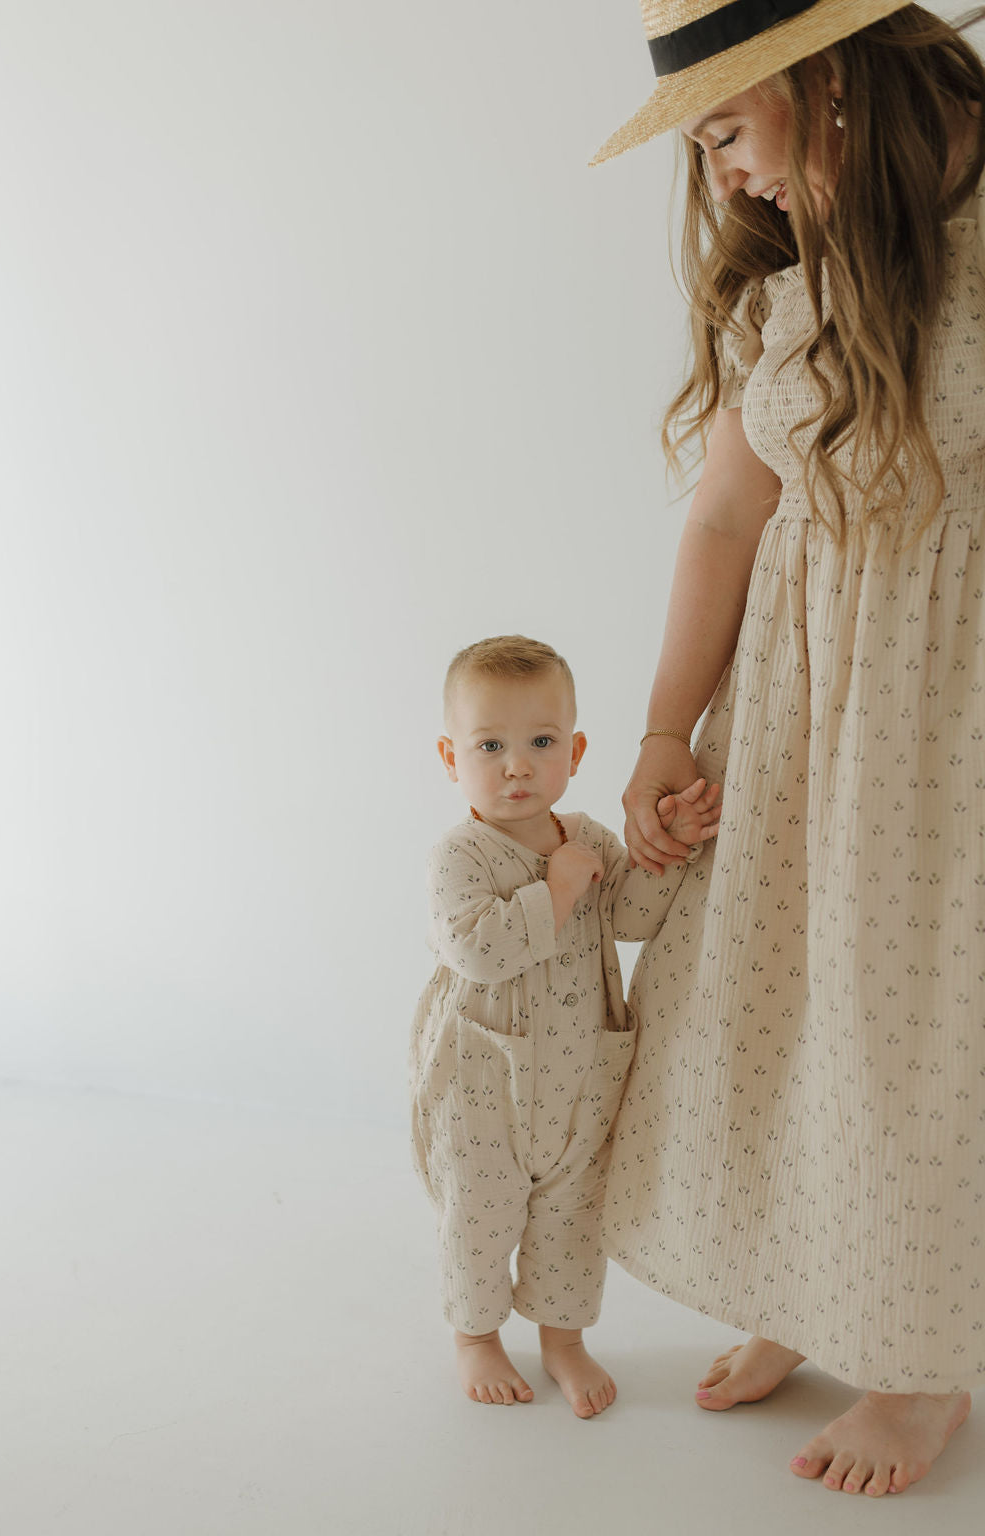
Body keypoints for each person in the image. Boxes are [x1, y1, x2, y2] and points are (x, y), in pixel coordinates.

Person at [591, 0, 985, 1498]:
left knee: (915, 1030)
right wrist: (662, 729)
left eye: (724, 134)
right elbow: (724, 519)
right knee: (770, 1004)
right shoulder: (796, 289)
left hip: (948, 725)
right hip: (802, 716)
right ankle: (819, 1282)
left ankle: (917, 1359)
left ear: (820, 80)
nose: (724, 180)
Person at [410, 635, 720, 1416]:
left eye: (541, 743)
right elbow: (477, 950)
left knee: (572, 1218)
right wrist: (553, 892)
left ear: (575, 753)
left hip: (580, 1077)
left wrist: (671, 845)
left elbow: (634, 916)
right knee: (481, 1216)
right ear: (451, 758)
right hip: (483, 1086)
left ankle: (564, 1339)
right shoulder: (460, 857)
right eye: (490, 746)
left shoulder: (587, 841)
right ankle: (476, 1336)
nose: (517, 765)